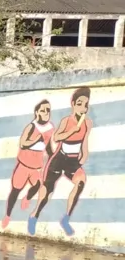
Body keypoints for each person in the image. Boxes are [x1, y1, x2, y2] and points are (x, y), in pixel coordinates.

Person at [29, 87, 91, 237]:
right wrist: (72, 131)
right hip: (59, 159)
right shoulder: (66, 121)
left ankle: (66, 218)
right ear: (73, 104)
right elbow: (56, 138)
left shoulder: (87, 123)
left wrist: (84, 155)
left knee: (81, 182)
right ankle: (34, 215)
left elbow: (84, 142)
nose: (83, 108)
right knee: (47, 191)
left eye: (85, 105)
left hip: (73, 160)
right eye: (80, 103)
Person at [2, 99, 53, 229]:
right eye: (43, 110)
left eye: (48, 110)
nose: (46, 113)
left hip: (36, 167)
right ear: (37, 113)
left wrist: (53, 157)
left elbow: (47, 146)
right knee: (15, 191)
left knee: (37, 186)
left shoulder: (50, 128)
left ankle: (27, 198)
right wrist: (36, 138)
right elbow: (23, 144)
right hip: (23, 165)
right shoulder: (31, 126)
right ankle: (7, 215)